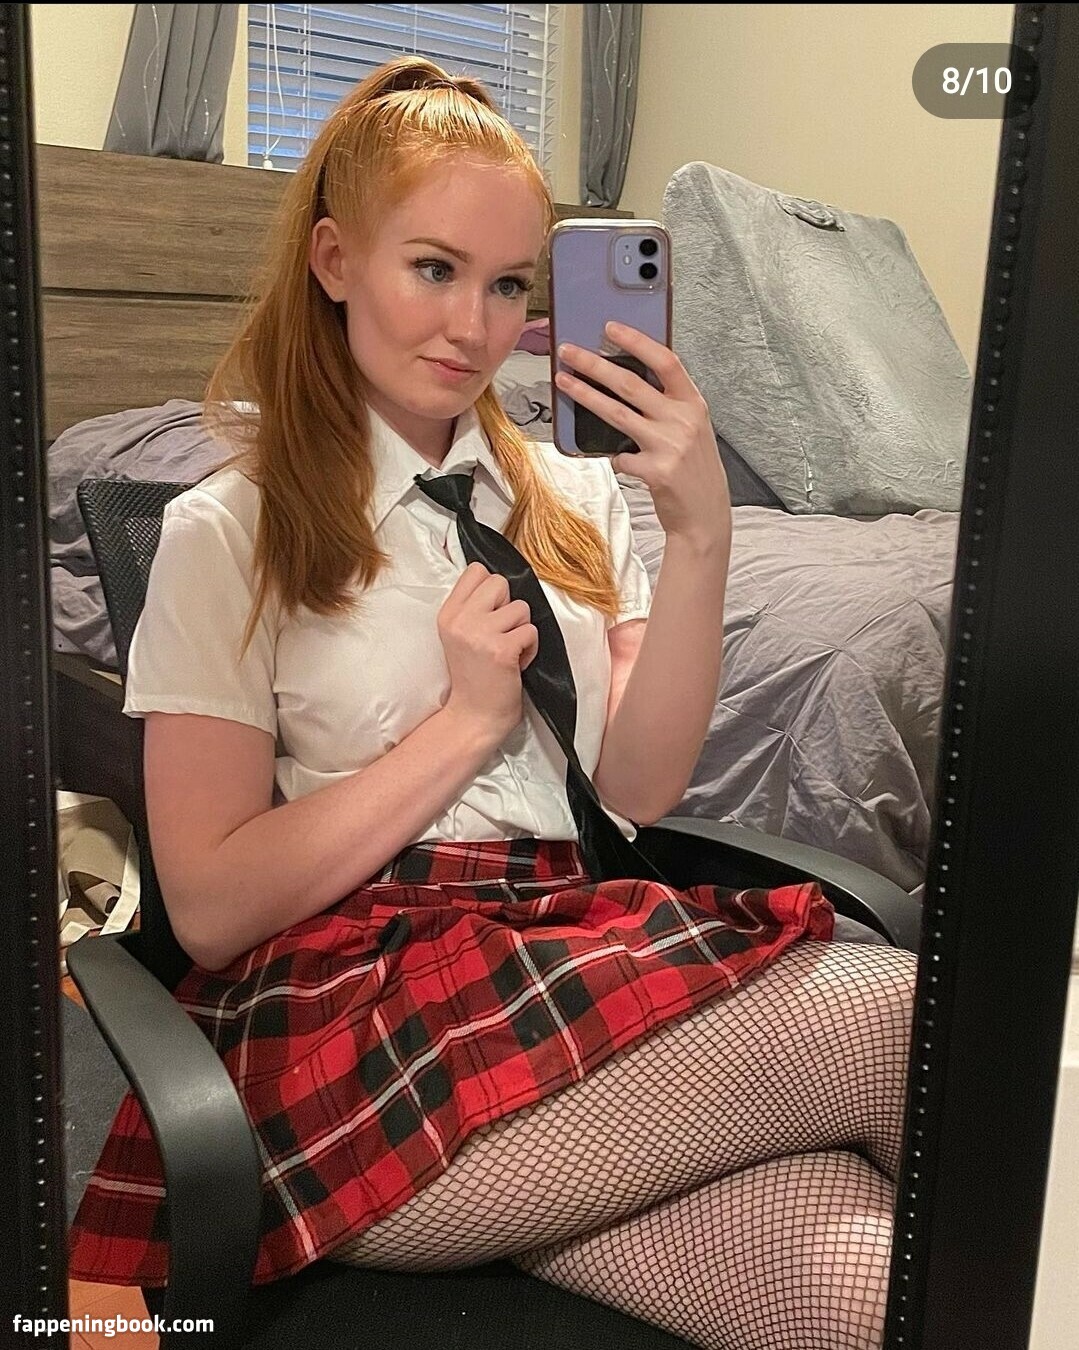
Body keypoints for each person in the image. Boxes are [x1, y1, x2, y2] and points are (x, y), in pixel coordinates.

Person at [69, 56, 916, 1350]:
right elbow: (215, 904)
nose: (473, 325)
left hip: (568, 947)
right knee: (904, 1019)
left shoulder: (570, 499)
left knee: (870, 1290)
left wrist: (703, 537)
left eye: (511, 283)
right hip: (360, 1009)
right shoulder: (228, 530)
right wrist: (462, 727)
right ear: (336, 259)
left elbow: (637, 790)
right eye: (434, 268)